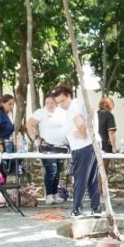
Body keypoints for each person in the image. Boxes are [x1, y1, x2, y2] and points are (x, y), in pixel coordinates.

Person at [52, 85, 101, 219]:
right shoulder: (81, 102)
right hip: (93, 143)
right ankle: (96, 208)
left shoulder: (73, 105)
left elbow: (80, 124)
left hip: (82, 146)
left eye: (62, 101)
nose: (61, 105)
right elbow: (92, 114)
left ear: (69, 95)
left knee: (81, 177)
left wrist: (83, 134)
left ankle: (77, 209)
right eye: (58, 103)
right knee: (92, 177)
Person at [26, 96, 69, 205]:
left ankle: (55, 194)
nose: (50, 104)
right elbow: (29, 125)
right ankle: (49, 195)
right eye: (47, 102)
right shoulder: (41, 113)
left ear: (56, 103)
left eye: (52, 102)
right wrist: (36, 140)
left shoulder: (62, 112)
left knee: (58, 171)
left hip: (61, 146)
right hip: (47, 147)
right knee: (51, 170)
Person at [0, 94, 20, 175]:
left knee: (3, 174)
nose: (12, 106)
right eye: (9, 104)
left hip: (5, 145)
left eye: (13, 104)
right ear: (2, 103)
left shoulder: (5, 115)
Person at [97, 95, 118, 174]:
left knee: (96, 169)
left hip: (94, 145)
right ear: (109, 104)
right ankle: (101, 186)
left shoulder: (95, 114)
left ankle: (97, 186)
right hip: (105, 145)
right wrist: (114, 147)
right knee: (103, 169)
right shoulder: (109, 115)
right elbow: (111, 132)